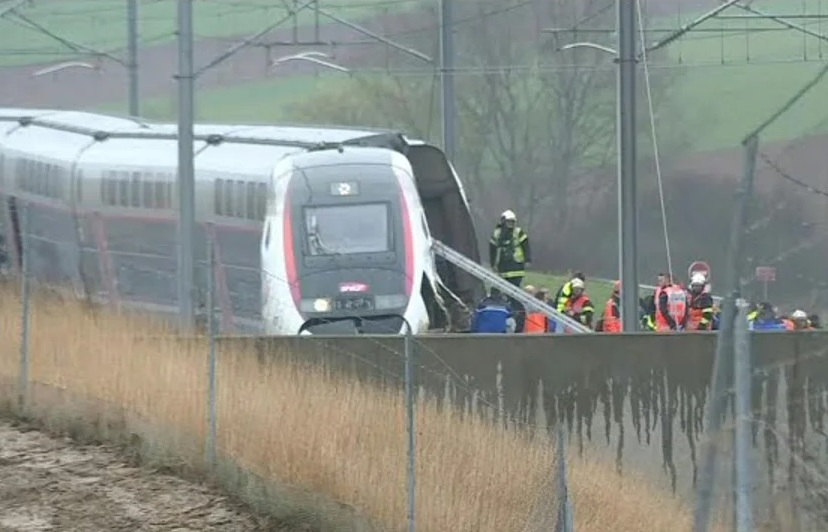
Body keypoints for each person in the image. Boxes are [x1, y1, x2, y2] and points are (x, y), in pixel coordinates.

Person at [488, 210, 531, 292]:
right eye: (508, 222)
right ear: (503, 222)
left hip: (517, 267)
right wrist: (492, 263)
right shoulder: (497, 233)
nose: (510, 225)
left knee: (514, 290)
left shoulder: (518, 232)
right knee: (506, 291)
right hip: (503, 267)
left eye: (512, 222)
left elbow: (526, 246)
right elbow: (492, 249)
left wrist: (527, 259)